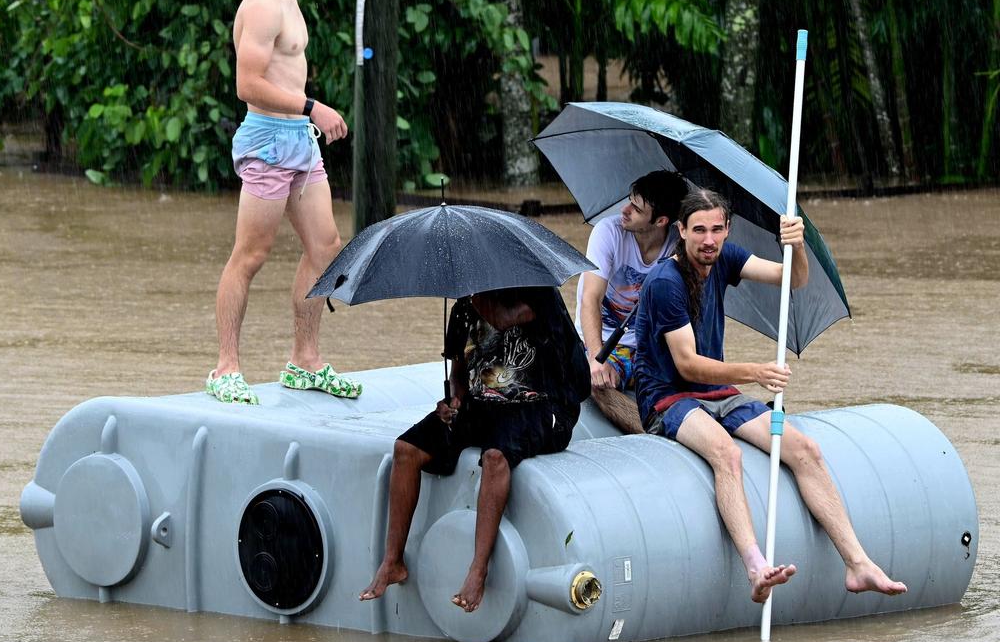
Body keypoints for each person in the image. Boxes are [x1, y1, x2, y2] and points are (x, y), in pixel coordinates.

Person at [634, 188, 907, 604]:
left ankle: (858, 563)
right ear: (681, 230)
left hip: (719, 392)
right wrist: (755, 372)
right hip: (668, 398)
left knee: (804, 448)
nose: (709, 240)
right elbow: (687, 364)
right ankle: (756, 567)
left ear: (727, 230)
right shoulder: (664, 283)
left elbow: (792, 280)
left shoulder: (724, 257)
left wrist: (796, 246)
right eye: (700, 230)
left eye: (717, 230)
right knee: (727, 453)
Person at [206, 0, 362, 405]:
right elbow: (247, 85)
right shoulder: (263, 4)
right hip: (268, 140)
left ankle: (305, 361)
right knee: (250, 255)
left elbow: (284, 75)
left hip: (299, 138)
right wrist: (314, 106)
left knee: (327, 246)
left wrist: (307, 117)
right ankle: (226, 368)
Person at [359, 287, 590, 611]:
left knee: (495, 458)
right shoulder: (463, 309)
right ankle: (392, 561)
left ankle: (477, 570)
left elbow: (504, 317)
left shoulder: (540, 295)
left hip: (542, 405)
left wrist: (472, 294)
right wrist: (453, 399)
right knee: (406, 449)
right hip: (484, 404)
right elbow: (458, 376)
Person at [575, 171, 688, 434]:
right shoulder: (608, 232)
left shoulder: (678, 246)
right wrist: (596, 358)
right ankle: (652, 436)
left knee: (690, 376)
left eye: (636, 209)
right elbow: (590, 298)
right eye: (629, 201)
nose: (625, 210)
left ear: (661, 221)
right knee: (595, 382)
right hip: (605, 341)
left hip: (652, 343)